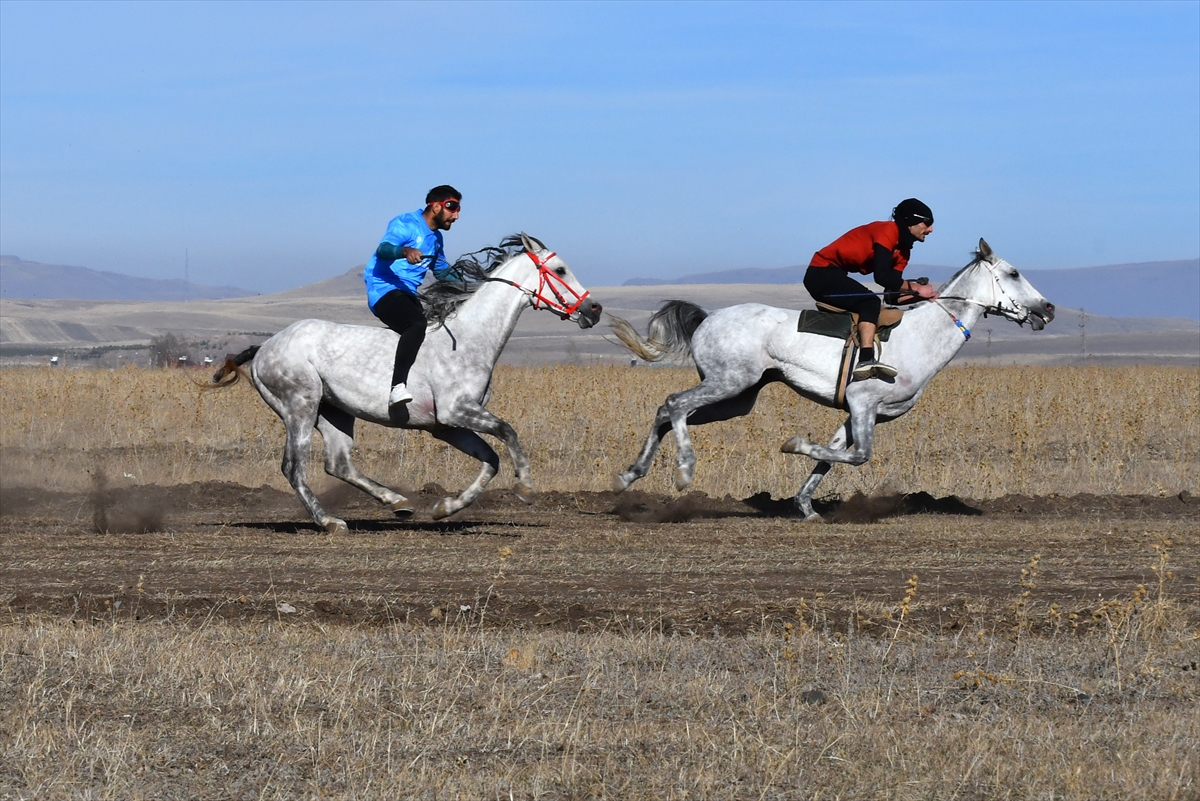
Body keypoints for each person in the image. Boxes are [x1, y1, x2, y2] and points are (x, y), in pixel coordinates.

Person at [803, 198, 939, 380]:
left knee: (873, 303)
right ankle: (866, 360)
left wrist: (921, 296)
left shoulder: (904, 252)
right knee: (870, 302)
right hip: (820, 273)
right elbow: (882, 276)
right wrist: (914, 287)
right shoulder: (888, 230)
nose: (931, 229)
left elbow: (892, 297)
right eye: (927, 223)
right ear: (910, 221)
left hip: (836, 274)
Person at [364, 185, 461, 406]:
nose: (456, 215)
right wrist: (405, 251)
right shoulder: (406, 223)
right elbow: (383, 250)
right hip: (384, 288)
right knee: (416, 324)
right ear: (436, 207)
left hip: (407, 293)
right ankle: (396, 388)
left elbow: (442, 271)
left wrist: (475, 285)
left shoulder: (436, 239)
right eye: (452, 207)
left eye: (458, 209)